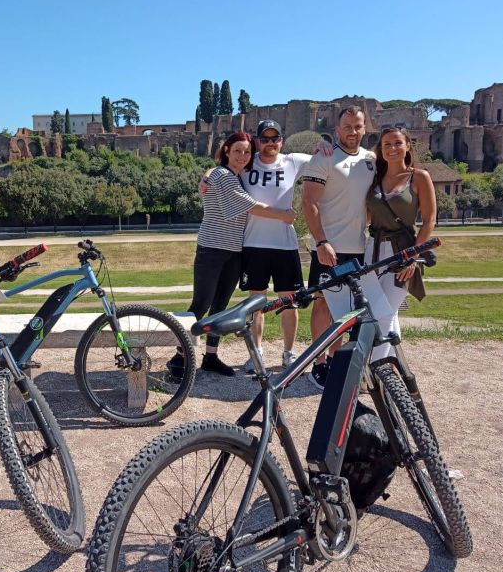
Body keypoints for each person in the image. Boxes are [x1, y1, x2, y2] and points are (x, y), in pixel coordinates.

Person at [168, 132, 295, 378]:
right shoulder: (222, 176)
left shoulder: (238, 177)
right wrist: (284, 215)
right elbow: (251, 206)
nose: (242, 156)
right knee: (200, 305)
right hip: (212, 250)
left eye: (247, 152)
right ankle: (179, 357)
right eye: (237, 150)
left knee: (220, 307)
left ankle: (211, 356)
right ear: (226, 151)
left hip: (234, 252)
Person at [301, 106, 393, 384]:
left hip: (358, 246)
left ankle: (337, 361)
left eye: (358, 126)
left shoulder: (372, 160)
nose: (352, 132)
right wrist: (321, 242)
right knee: (323, 306)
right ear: (337, 129)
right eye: (347, 126)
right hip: (328, 246)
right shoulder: (324, 158)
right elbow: (308, 202)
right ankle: (319, 363)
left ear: (365, 128)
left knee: (350, 309)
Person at [239, 120, 315, 371]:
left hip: (285, 244)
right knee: (255, 304)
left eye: (275, 139)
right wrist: (205, 178)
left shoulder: (293, 161)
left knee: (289, 302)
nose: (270, 143)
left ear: (282, 140)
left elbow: (326, 156)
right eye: (265, 139)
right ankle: (256, 353)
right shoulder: (247, 162)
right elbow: (220, 168)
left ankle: (289, 353)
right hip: (254, 243)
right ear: (257, 141)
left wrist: (328, 148)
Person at [365, 126, 436, 359]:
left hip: (403, 251)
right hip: (372, 250)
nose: (392, 148)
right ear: (380, 150)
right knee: (374, 310)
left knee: (384, 312)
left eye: (397, 143)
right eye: (387, 144)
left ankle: (374, 371)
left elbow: (429, 221)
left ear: (407, 146)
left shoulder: (419, 177)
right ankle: (393, 363)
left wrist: (414, 257)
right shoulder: (374, 178)